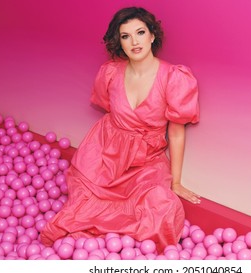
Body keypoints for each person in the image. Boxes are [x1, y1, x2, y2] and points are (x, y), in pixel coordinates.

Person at [40, 6, 200, 252]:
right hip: (104, 155)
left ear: (152, 35)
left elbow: (177, 132)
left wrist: (176, 182)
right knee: (82, 207)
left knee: (163, 209)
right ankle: (102, 247)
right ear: (120, 42)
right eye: (126, 36)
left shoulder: (174, 78)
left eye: (140, 32)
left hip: (146, 160)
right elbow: (108, 109)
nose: (135, 41)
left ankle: (119, 248)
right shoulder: (110, 73)